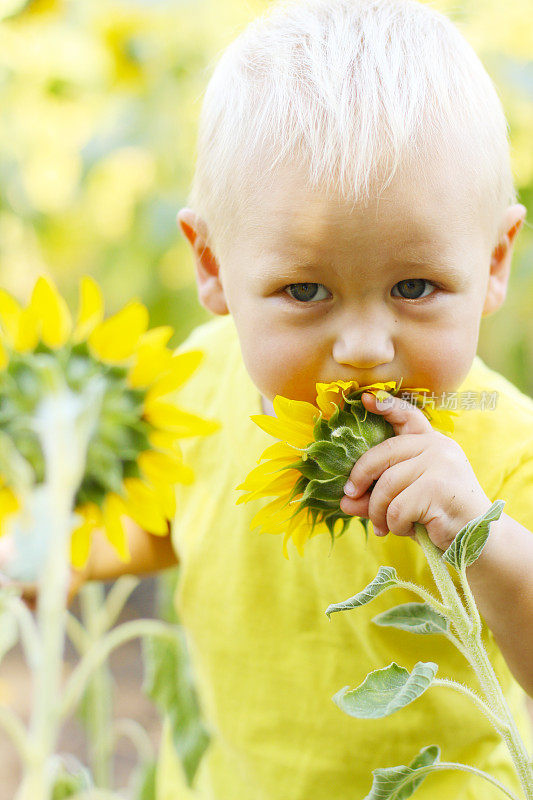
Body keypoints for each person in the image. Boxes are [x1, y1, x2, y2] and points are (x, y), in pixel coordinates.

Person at [6, 1, 533, 798]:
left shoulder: (500, 446)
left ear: (493, 261)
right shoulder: (204, 382)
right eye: (305, 289)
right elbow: (163, 519)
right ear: (213, 266)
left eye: (414, 286)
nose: (362, 347)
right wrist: (44, 557)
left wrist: (478, 536)